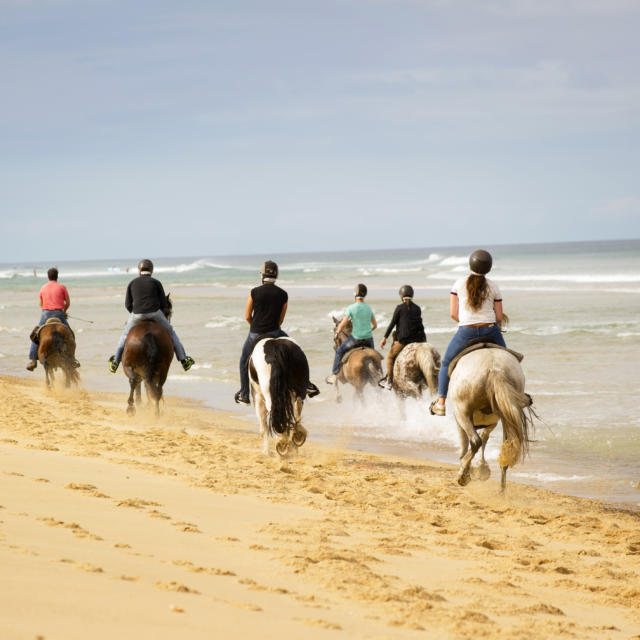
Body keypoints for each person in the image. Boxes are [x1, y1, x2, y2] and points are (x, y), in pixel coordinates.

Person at [430, 249, 506, 416]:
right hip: (491, 330)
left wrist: (468, 322)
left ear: (470, 264)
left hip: (466, 332)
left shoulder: (458, 284)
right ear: (489, 268)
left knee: (445, 363)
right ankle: (517, 395)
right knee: (509, 360)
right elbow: (499, 317)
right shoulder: (494, 286)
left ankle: (441, 402)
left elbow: (453, 314)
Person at [234, 260, 319, 405]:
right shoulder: (283, 294)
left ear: (262, 274)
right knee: (298, 353)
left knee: (243, 360)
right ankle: (307, 385)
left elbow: (247, 316)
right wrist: (273, 328)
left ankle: (244, 393)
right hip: (275, 331)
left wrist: (255, 326)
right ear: (276, 275)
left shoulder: (254, 292)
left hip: (255, 333)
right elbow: (280, 319)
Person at [108, 259, 195, 373]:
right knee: (171, 332)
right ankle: (184, 361)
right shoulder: (156, 282)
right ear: (152, 270)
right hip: (155, 313)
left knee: (125, 335)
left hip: (137, 314)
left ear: (139, 270)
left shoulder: (132, 283)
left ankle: (115, 362)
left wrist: (135, 314)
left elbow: (127, 304)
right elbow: (164, 304)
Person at [326, 283, 377, 384]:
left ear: (355, 295)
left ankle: (334, 375)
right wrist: (367, 331)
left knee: (339, 351)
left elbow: (343, 324)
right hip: (368, 340)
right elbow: (374, 325)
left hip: (356, 339)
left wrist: (337, 332)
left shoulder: (351, 308)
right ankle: (378, 376)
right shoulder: (368, 308)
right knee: (374, 357)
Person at [378, 285, 427, 389]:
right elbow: (420, 325)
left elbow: (392, 323)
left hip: (404, 341)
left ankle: (389, 381)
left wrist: (385, 337)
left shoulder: (399, 308)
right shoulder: (417, 308)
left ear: (401, 296)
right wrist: (424, 342)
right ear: (412, 295)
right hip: (418, 340)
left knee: (390, 358)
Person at [26, 267, 74, 371]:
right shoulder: (62, 287)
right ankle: (72, 359)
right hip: (59, 313)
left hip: (46, 314)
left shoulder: (43, 287)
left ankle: (33, 360)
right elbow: (68, 302)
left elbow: (41, 304)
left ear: (48, 277)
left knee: (35, 336)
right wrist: (64, 311)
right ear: (57, 276)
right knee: (70, 334)